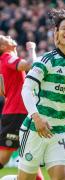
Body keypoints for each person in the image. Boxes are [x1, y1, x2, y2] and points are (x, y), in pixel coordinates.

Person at [18, 8, 65, 180]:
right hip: (35, 129)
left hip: (60, 132)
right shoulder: (46, 60)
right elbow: (26, 89)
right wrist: (37, 118)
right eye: (64, 28)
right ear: (57, 33)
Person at [0, 35, 44, 180]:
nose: (8, 36)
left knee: (30, 153)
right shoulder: (6, 57)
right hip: (16, 113)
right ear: (2, 47)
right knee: (3, 156)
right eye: (4, 37)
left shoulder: (4, 62)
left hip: (21, 112)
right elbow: (29, 64)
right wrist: (32, 49)